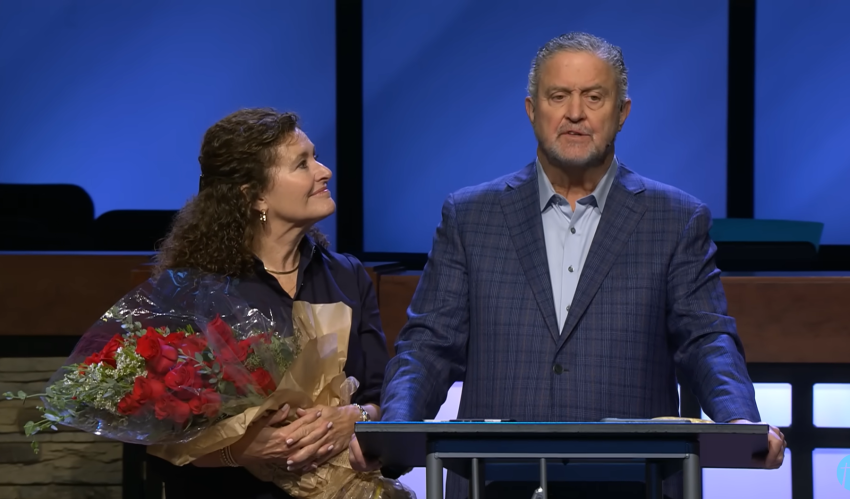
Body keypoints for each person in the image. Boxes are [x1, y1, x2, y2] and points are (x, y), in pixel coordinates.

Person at [350, 32, 786, 498]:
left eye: (593, 97)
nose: (574, 112)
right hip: (491, 481)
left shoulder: (676, 218)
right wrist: (394, 429)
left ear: (622, 113)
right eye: (558, 96)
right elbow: (430, 344)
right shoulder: (470, 215)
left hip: (636, 481)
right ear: (531, 109)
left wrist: (738, 419)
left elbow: (705, 339)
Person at [147, 108, 390, 499]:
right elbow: (153, 430)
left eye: (316, 156)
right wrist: (237, 450)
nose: (324, 171)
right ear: (254, 194)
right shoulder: (191, 290)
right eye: (302, 163)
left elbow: (384, 396)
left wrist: (354, 418)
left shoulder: (348, 276)